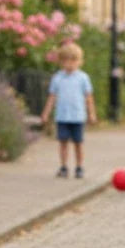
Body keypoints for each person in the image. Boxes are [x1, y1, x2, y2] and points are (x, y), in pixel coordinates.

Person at [40, 42, 96, 179]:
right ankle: (64, 166)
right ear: (61, 62)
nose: (70, 64)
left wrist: (92, 113)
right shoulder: (57, 78)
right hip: (62, 116)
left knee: (78, 143)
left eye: (73, 60)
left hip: (77, 116)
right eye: (66, 61)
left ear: (79, 61)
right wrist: (46, 113)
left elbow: (88, 97)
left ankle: (79, 167)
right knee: (63, 142)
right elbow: (52, 97)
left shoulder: (83, 78)